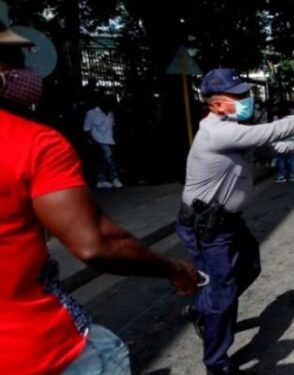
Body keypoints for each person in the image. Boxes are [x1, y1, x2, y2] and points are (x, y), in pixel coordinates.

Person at [0, 27, 199, 375]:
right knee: (109, 355)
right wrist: (173, 268)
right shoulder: (32, 142)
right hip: (36, 348)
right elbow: (96, 244)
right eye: (16, 62)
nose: (28, 73)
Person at [176, 68, 294, 374]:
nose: (247, 99)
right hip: (207, 226)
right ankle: (217, 363)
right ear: (218, 104)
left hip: (229, 221)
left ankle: (202, 309)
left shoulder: (235, 127)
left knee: (250, 268)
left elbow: (272, 148)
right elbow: (271, 131)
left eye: (245, 93)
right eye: (239, 96)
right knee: (222, 293)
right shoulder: (217, 133)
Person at [84, 94, 123, 189]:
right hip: (98, 139)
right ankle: (114, 178)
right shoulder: (92, 113)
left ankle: (101, 180)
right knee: (110, 158)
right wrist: (92, 140)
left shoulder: (111, 114)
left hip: (109, 139)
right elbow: (86, 128)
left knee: (104, 160)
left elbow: (112, 127)